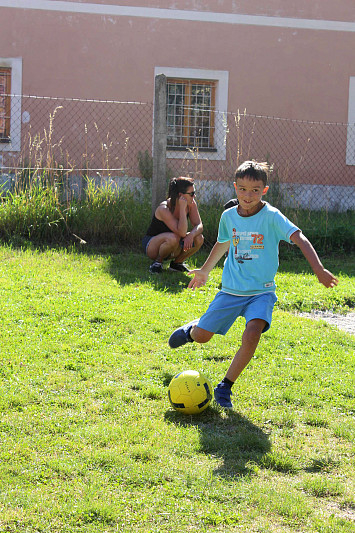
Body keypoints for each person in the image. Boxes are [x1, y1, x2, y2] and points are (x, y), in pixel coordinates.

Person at [168, 160, 338, 409]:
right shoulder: (229, 216)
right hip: (231, 291)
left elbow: (299, 238)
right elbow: (223, 243)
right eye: (243, 189)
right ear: (235, 187)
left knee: (253, 333)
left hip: (262, 292)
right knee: (204, 337)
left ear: (264, 191)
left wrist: (318, 269)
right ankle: (191, 331)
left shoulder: (272, 217)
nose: (248, 196)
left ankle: (225, 386)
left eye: (255, 190)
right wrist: (204, 271)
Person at [142, 176, 204, 274]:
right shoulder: (164, 208)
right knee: (173, 237)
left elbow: (199, 225)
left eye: (194, 193)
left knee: (199, 238)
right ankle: (157, 263)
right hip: (153, 245)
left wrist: (191, 235)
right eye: (192, 194)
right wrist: (183, 210)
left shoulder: (191, 203)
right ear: (181, 195)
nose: (194, 196)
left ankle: (177, 264)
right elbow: (182, 232)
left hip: (174, 243)